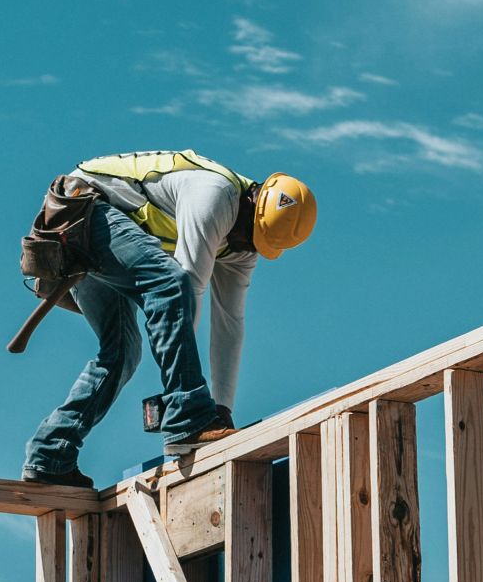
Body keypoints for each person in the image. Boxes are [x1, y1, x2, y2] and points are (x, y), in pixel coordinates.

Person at [21, 149, 316, 487]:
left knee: (121, 353)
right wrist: (190, 407)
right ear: (252, 201)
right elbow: (186, 288)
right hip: (81, 210)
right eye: (247, 234)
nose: (243, 245)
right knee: (170, 282)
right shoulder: (215, 195)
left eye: (254, 243)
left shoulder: (243, 246)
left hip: (99, 230)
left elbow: (229, 325)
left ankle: (50, 454)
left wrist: (222, 410)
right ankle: (187, 415)